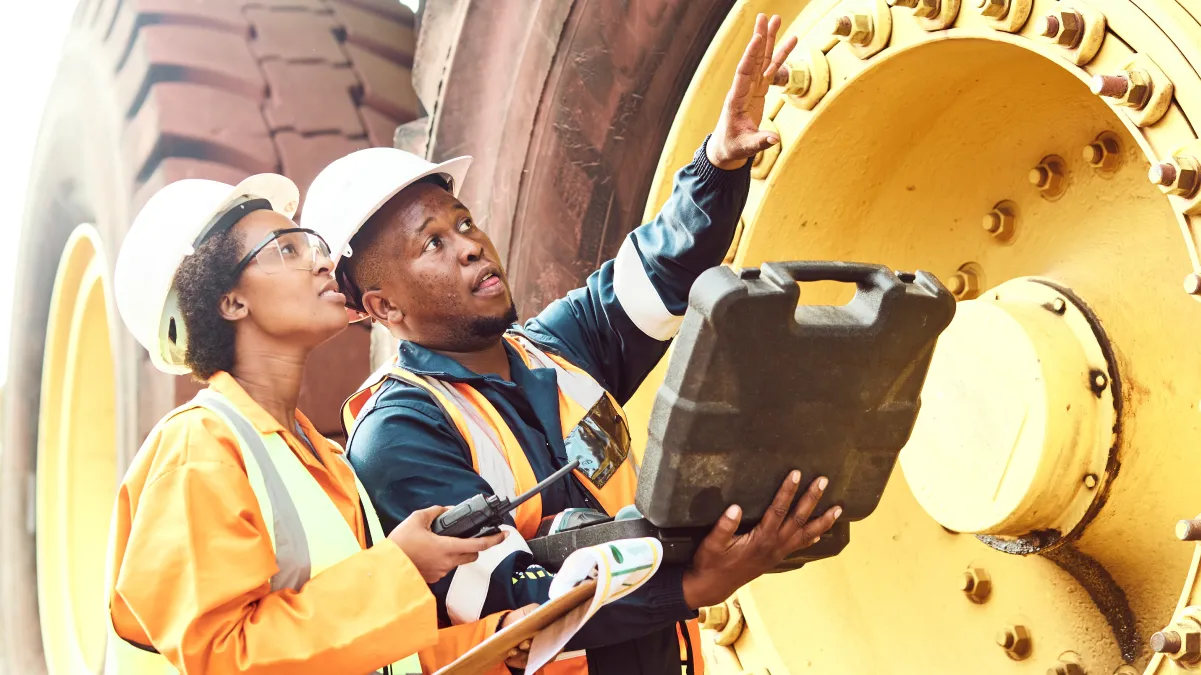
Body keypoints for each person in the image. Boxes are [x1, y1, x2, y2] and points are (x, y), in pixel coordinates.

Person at [304, 13, 841, 675]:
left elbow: (659, 269)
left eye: (464, 221)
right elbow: (512, 593)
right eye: (433, 243)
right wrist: (695, 585)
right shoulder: (400, 435)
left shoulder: (555, 350)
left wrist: (718, 160)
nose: (471, 244)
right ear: (384, 306)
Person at [105, 174, 523, 674]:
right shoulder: (198, 449)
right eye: (286, 251)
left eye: (312, 245)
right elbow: (226, 658)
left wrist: (502, 639)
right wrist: (400, 568)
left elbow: (365, 649)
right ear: (232, 301)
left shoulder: (324, 460)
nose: (324, 262)